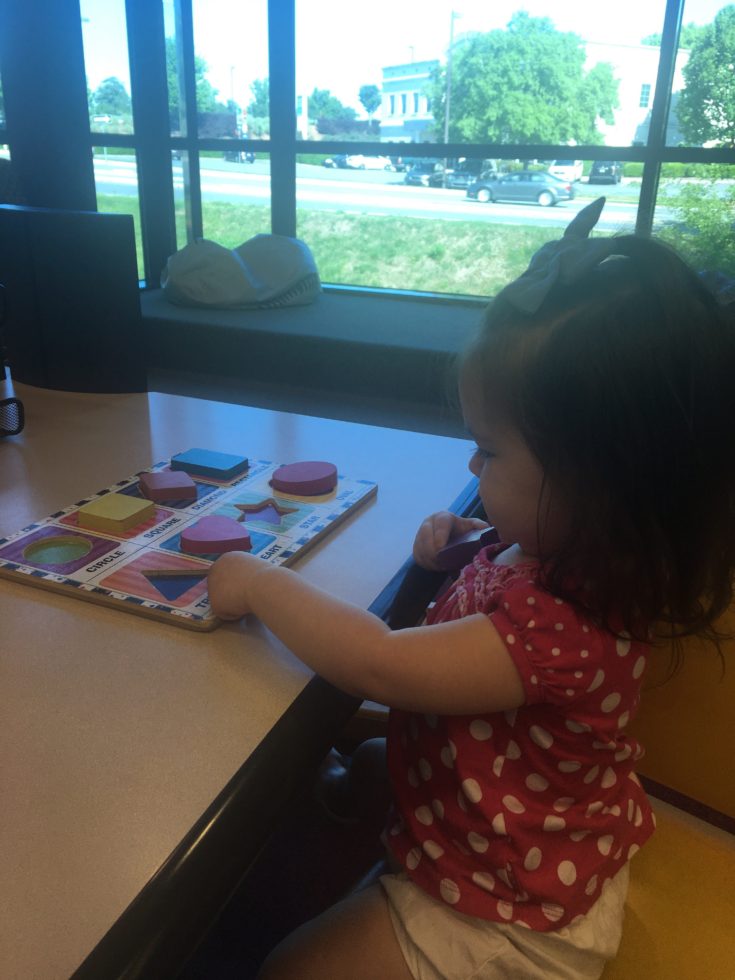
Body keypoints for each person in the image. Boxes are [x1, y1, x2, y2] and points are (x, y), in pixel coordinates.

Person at [207, 198, 735, 979]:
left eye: (487, 450)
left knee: (291, 967)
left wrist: (256, 580)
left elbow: (380, 662)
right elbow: (458, 628)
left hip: (511, 916)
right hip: (520, 816)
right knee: (369, 763)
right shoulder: (558, 551)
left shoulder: (562, 624)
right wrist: (442, 563)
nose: (470, 470)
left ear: (599, 483)